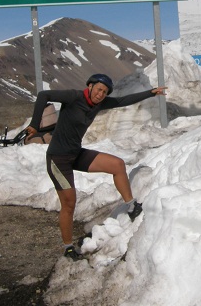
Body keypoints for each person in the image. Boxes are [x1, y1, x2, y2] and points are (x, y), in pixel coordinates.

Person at [25, 73, 167, 261]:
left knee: (117, 165)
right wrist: (34, 125)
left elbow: (122, 101)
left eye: (105, 91)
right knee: (69, 203)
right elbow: (43, 95)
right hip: (58, 160)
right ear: (90, 86)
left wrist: (151, 93)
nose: (101, 94)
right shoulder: (74, 96)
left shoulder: (100, 103)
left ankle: (131, 206)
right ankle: (68, 248)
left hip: (75, 154)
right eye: (99, 89)